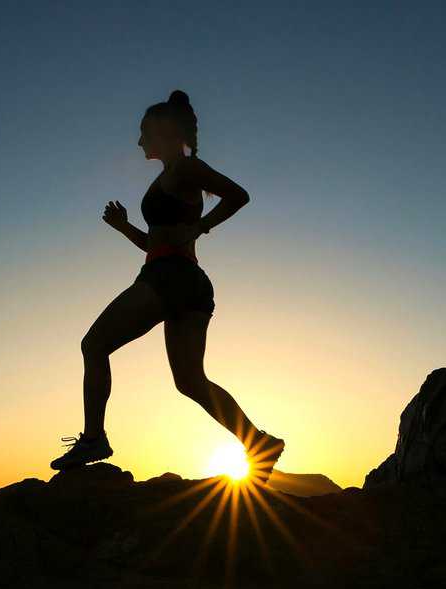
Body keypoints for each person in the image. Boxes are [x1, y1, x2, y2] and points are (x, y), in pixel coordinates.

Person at [51, 89, 286, 485]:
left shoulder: (184, 169)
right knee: (190, 380)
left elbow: (238, 195)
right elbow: (155, 242)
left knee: (94, 345)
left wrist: (202, 225)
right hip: (187, 281)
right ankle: (259, 442)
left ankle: (93, 439)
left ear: (162, 132)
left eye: (144, 133)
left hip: (170, 278)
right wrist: (125, 227)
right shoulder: (170, 176)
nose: (139, 141)